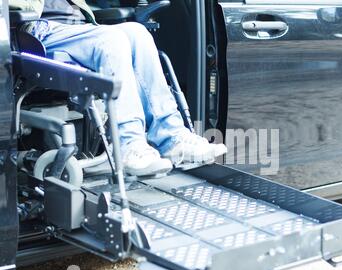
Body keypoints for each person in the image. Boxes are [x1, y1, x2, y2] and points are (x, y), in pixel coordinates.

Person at [9, 0, 227, 176]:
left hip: (78, 26)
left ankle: (172, 137)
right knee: (111, 40)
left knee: (138, 33)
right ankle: (128, 144)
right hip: (36, 29)